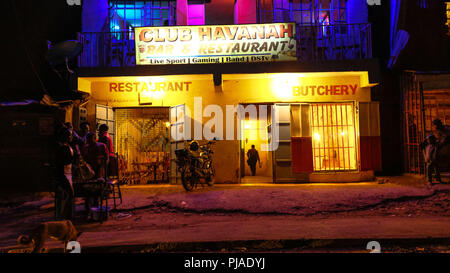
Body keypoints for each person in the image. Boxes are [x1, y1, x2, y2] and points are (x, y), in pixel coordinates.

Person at [55, 127, 74, 220]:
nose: (71, 137)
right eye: (69, 135)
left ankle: (66, 219)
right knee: (64, 197)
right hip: (63, 174)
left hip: (68, 173)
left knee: (68, 197)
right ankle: (62, 219)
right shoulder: (61, 147)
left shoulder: (67, 146)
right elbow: (62, 162)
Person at [421, 119, 449, 184]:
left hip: (441, 148)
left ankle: (436, 179)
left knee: (435, 163)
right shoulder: (437, 130)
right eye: (434, 125)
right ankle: (431, 179)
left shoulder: (445, 130)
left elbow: (445, 138)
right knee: (431, 163)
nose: (434, 126)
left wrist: (440, 142)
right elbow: (433, 136)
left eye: (435, 125)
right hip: (436, 148)